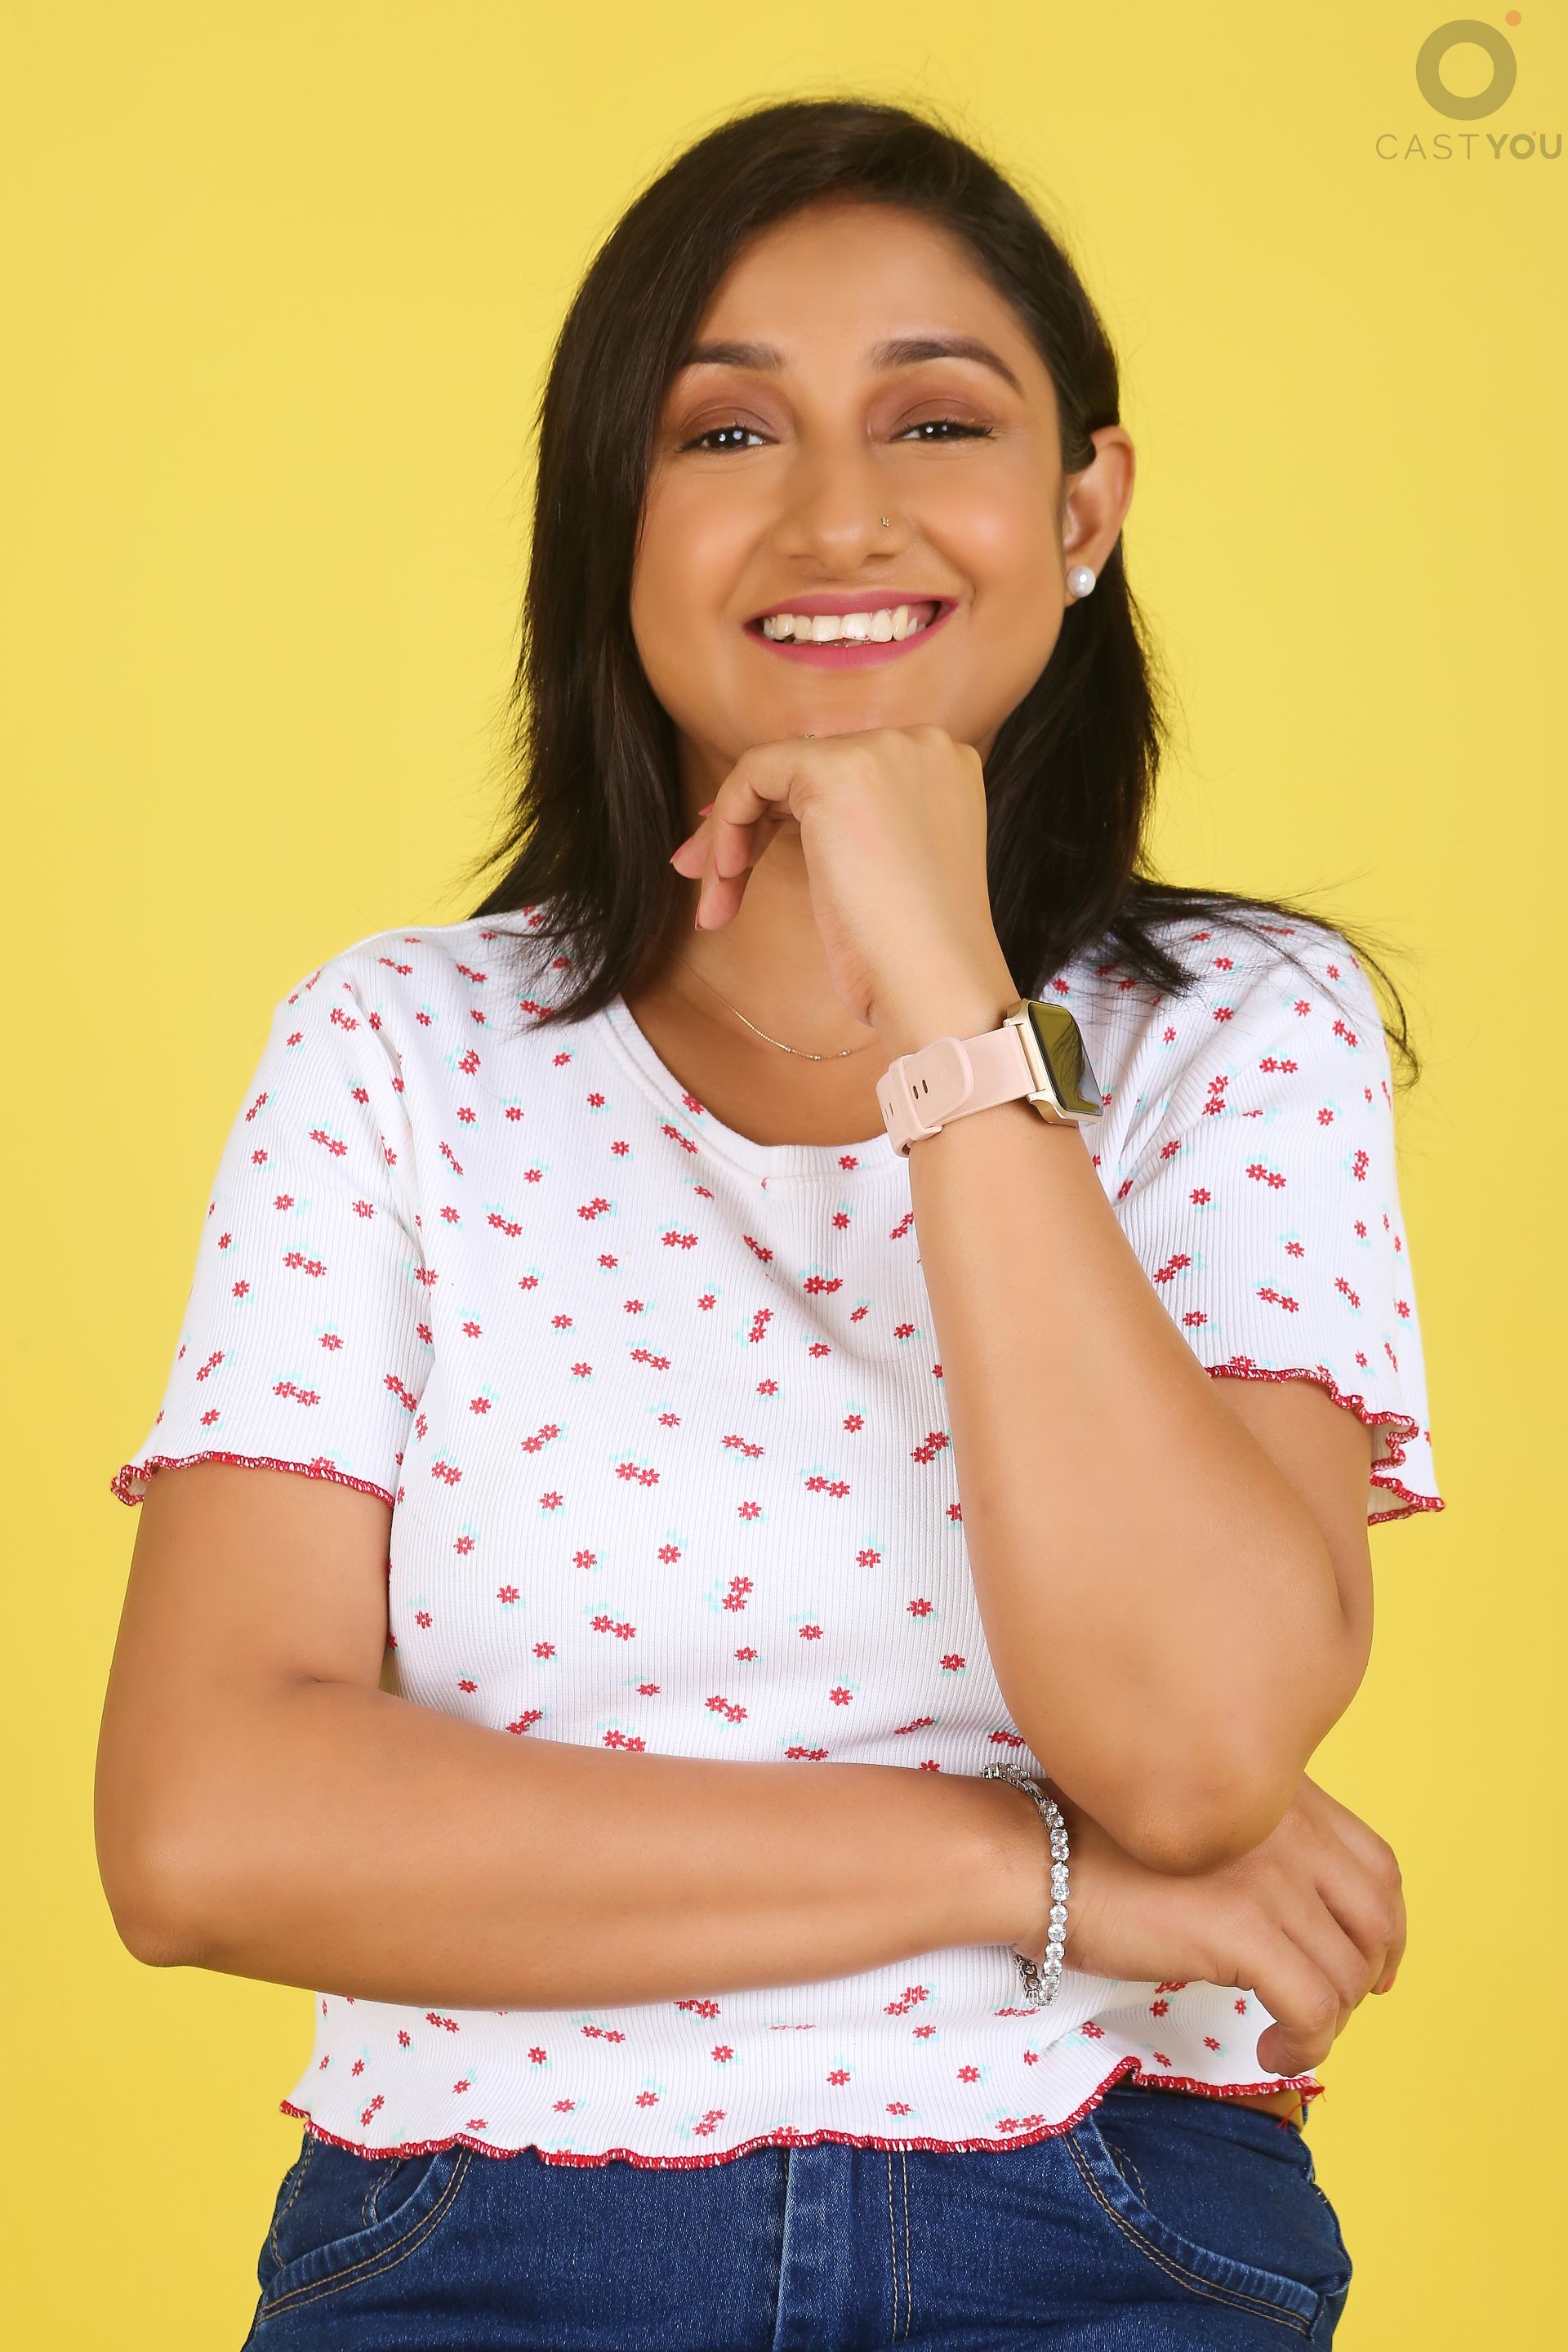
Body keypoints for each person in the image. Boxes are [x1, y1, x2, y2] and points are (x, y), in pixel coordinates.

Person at [96, 96, 1441, 2350]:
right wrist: (1014, 1868)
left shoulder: (1236, 1031)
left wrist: (949, 996)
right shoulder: (399, 1049)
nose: (838, 512)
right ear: (610, 519)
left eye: (939, 418)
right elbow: (208, 1832)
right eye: (726, 430)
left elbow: (1197, 1745)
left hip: (1099, 2227)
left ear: (1084, 506)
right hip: (478, 2247)